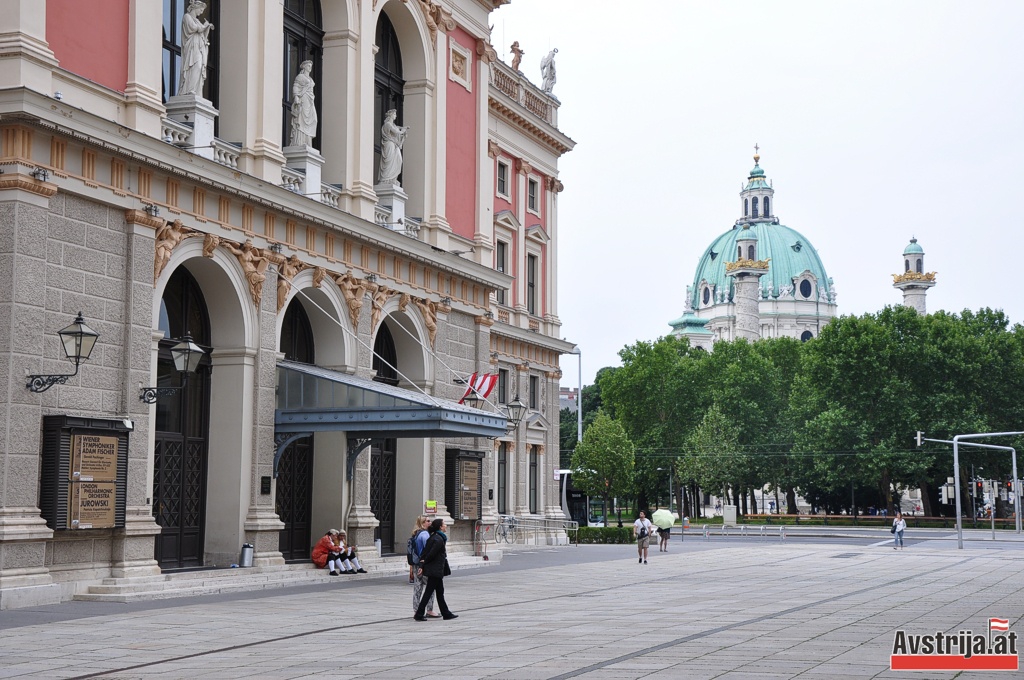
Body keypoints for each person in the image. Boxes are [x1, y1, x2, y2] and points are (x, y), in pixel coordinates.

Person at [414, 518, 458, 621]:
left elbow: (424, 553)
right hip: (435, 570)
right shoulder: (438, 539)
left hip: (436, 570)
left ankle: (446, 613)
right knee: (429, 592)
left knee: (439, 592)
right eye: (444, 524)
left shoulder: (434, 537)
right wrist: (422, 566)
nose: (446, 526)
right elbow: (430, 554)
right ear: (440, 527)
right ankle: (419, 614)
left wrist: (422, 565)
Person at [178, 0, 214, 97]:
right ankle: (189, 89)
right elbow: (194, 28)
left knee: (199, 66)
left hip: (199, 47)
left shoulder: (197, 20)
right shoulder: (187, 17)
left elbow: (203, 35)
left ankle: (195, 90)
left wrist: (207, 28)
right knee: (195, 65)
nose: (201, 13)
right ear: (195, 7)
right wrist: (205, 26)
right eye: (201, 10)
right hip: (192, 47)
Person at [411, 516, 441, 619]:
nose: (430, 523)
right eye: (428, 521)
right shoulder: (425, 535)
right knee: (430, 587)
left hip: (416, 563)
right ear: (423, 523)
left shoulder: (417, 533)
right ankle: (429, 610)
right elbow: (428, 551)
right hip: (423, 564)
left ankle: (416, 610)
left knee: (418, 587)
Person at [289, 60, 317, 147]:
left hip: (310, 100)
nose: (310, 68)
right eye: (308, 66)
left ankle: (307, 140)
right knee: (301, 118)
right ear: (304, 67)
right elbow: (296, 86)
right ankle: (299, 141)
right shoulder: (300, 77)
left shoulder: (310, 79)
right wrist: (296, 96)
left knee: (314, 119)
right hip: (303, 98)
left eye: (311, 66)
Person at [377, 109, 409, 185]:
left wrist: (403, 128)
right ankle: (386, 179)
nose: (396, 116)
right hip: (389, 144)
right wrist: (403, 130)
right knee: (389, 160)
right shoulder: (388, 124)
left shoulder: (393, 125)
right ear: (391, 115)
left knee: (399, 160)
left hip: (394, 144)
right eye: (394, 114)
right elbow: (397, 131)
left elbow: (397, 127)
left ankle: (393, 178)